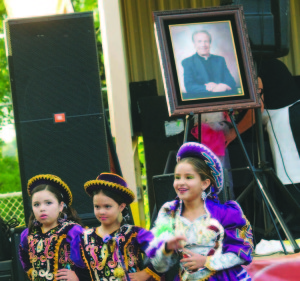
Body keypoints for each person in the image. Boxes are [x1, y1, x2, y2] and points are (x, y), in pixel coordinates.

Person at [146, 142, 253, 280]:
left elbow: (242, 253)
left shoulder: (226, 213)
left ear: (205, 183)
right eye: (177, 177)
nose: (181, 182)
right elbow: (159, 266)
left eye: (188, 177)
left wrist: (207, 262)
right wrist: (166, 248)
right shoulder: (169, 212)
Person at [72, 173, 161, 281]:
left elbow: (162, 253)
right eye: (97, 207)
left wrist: (146, 273)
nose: (101, 212)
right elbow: (82, 273)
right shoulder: (83, 237)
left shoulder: (134, 233)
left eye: (107, 206)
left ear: (121, 206)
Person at [18, 174, 90, 281]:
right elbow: (23, 253)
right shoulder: (28, 234)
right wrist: (29, 270)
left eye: (48, 203)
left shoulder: (72, 231)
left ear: (61, 206)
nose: (42, 208)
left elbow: (92, 258)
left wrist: (78, 277)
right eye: (36, 204)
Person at [182, 30, 236, 98]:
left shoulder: (220, 60)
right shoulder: (187, 62)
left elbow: (231, 82)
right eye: (199, 41)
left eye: (206, 41)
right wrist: (207, 88)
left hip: (222, 97)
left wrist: (223, 86)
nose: (203, 45)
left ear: (210, 43)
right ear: (194, 44)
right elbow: (189, 87)